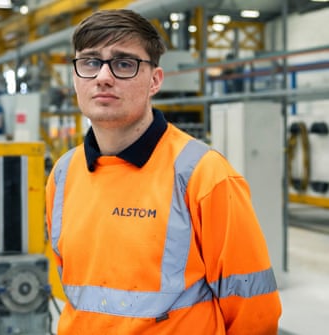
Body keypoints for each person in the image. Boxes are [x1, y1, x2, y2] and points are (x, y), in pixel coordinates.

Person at [45, 9, 282, 335]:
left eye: (124, 64)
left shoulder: (203, 175)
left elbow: (254, 313)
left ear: (155, 80)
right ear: (75, 78)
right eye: (89, 62)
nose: (103, 76)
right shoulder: (63, 174)